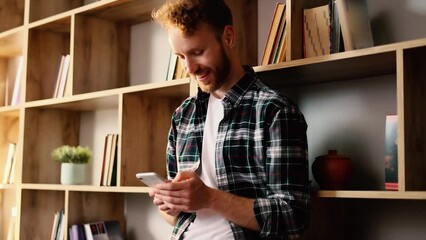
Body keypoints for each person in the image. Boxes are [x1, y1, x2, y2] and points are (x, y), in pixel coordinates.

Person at [149, 0, 310, 239]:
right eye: (181, 56)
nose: (190, 68)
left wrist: (209, 197)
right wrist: (171, 204)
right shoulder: (183, 116)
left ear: (228, 37)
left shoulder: (275, 111)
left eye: (197, 52)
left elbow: (292, 216)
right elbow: (175, 218)